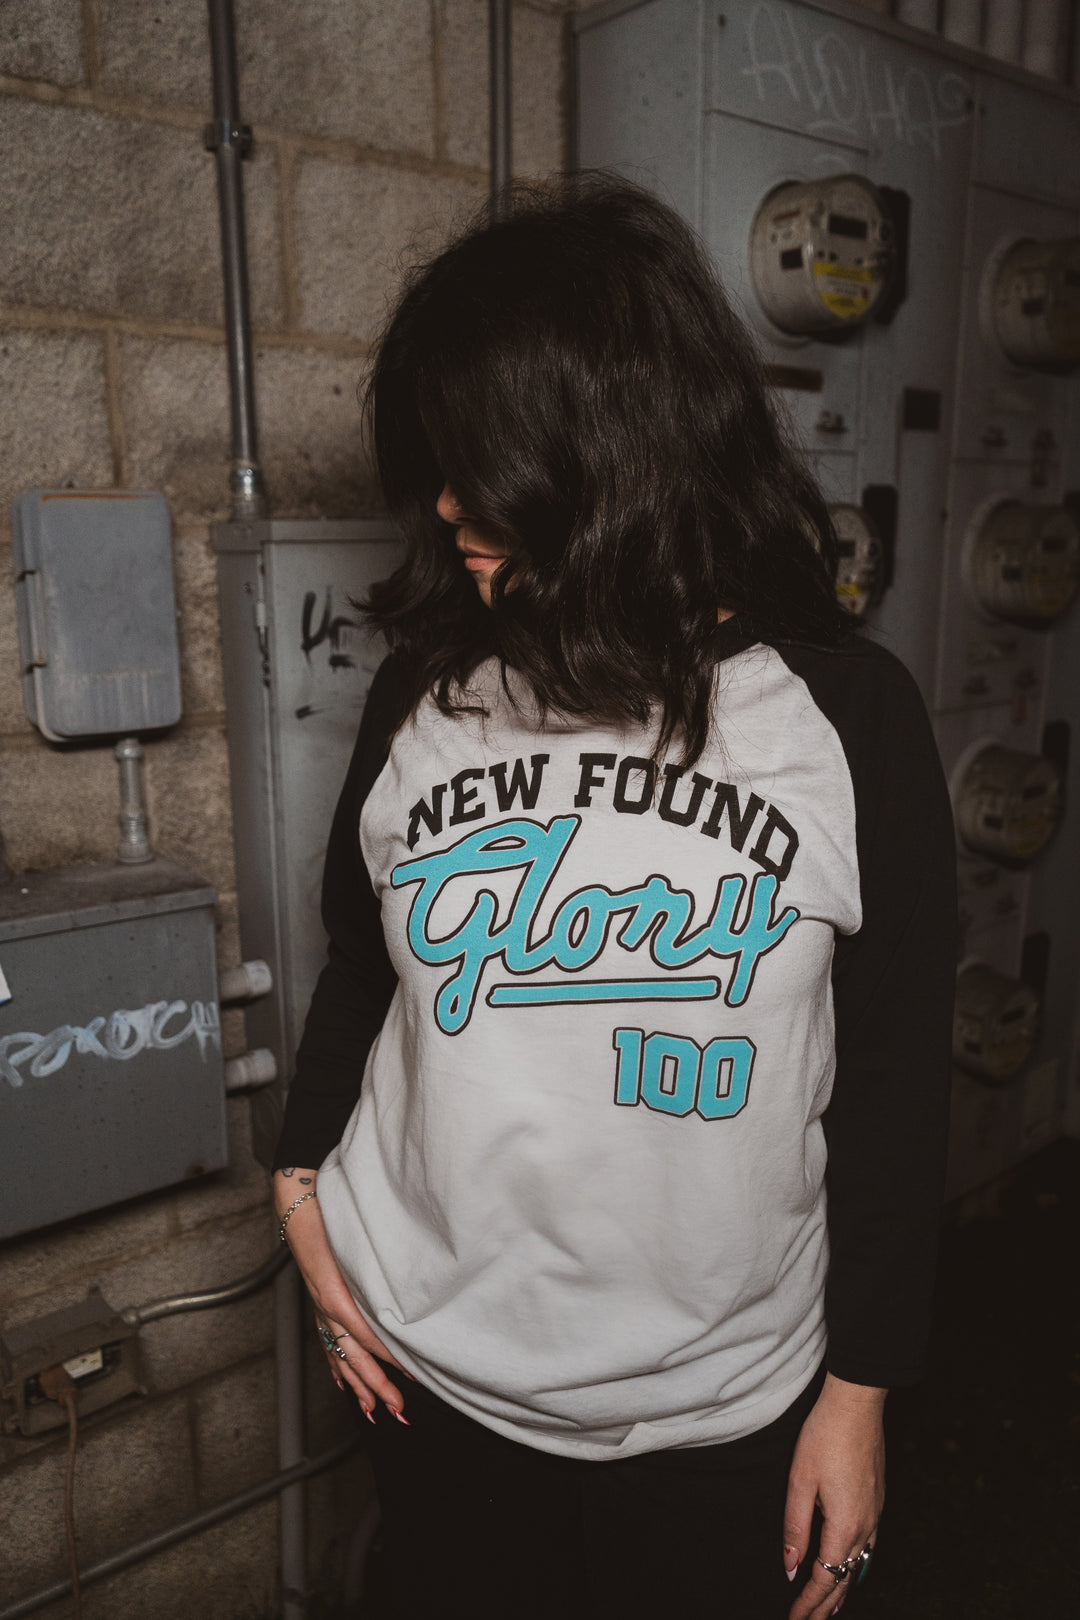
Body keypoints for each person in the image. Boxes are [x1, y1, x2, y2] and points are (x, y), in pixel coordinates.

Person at [271, 174, 956, 1620]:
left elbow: (893, 1082)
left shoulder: (844, 718)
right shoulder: (425, 692)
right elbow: (361, 962)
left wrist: (863, 1392)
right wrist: (298, 1188)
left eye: (482, 463)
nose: (448, 504)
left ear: (616, 455)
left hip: (716, 1428)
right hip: (429, 1388)